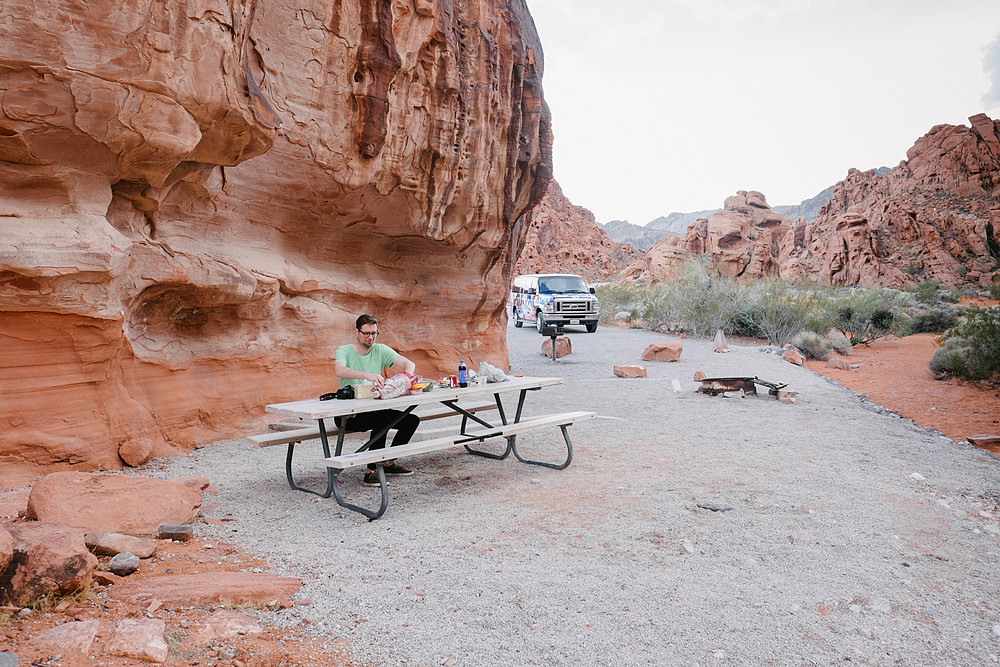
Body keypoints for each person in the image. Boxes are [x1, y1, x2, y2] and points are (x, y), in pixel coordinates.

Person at [334, 314, 420, 486]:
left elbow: (408, 364)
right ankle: (371, 471)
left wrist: (405, 381)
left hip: (375, 407)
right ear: (357, 332)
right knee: (382, 420)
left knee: (411, 420)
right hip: (349, 414)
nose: (370, 337)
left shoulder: (380, 349)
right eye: (366, 333)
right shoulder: (345, 351)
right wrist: (367, 375)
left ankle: (388, 462)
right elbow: (339, 370)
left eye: (374, 333)